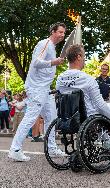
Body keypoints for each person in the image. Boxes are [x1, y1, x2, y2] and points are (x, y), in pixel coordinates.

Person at [8, 22, 66, 162]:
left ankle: (51, 148)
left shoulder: (52, 47)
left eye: (64, 33)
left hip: (45, 90)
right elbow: (35, 63)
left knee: (51, 117)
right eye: (60, 32)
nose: (62, 35)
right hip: (36, 88)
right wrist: (54, 62)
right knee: (31, 117)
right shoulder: (44, 43)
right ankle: (15, 150)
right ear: (52, 31)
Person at [56, 44, 110, 127]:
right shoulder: (88, 79)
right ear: (79, 57)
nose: (84, 59)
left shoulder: (60, 78)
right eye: (84, 56)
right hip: (87, 116)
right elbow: (100, 105)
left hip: (66, 117)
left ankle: (107, 138)